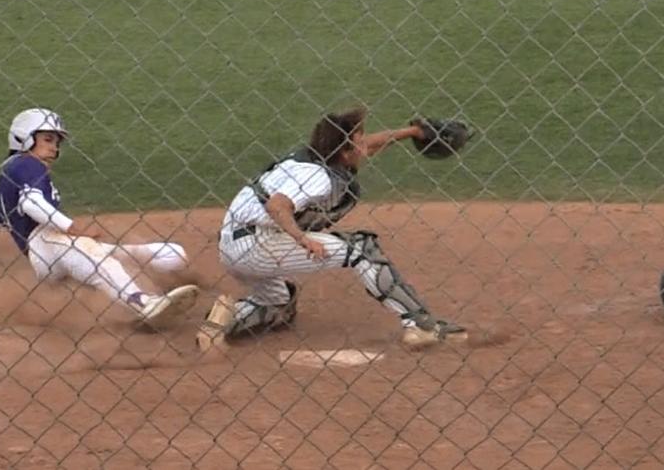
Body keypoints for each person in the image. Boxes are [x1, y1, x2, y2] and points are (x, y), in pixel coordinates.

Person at [198, 105, 467, 351]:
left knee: (280, 303)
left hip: (233, 244)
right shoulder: (318, 178)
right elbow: (277, 206)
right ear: (345, 152)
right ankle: (419, 325)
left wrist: (411, 132)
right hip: (258, 245)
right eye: (359, 140)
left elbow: (367, 146)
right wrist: (303, 239)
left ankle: (220, 324)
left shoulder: (312, 157)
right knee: (362, 248)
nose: (365, 144)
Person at [0, 107, 198, 326]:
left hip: (51, 251)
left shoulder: (9, 175)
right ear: (24, 138)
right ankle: (142, 303)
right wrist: (72, 228)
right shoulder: (27, 164)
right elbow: (32, 204)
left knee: (168, 254)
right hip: (46, 243)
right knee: (96, 258)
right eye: (47, 139)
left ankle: (157, 283)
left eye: (57, 143)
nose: (54, 148)